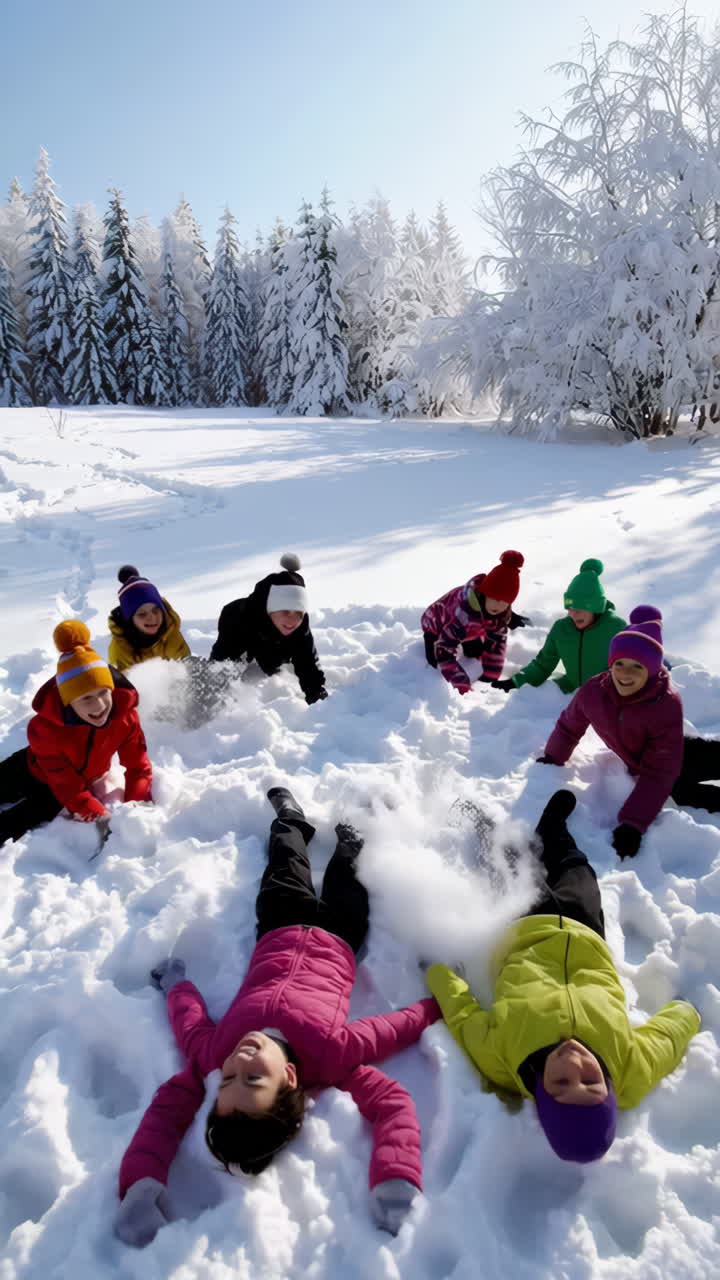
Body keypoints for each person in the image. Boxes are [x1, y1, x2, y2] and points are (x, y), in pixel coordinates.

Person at [114, 788, 440, 1248]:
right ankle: (354, 829)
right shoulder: (331, 1054)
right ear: (289, 1077)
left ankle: (291, 819)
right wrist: (395, 1178)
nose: (239, 1063)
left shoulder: (213, 1050)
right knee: (349, 867)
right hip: (341, 935)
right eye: (253, 1080)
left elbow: (165, 1112)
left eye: (228, 1082)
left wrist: (141, 1185)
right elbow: (393, 1090)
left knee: (286, 855)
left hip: (280, 922)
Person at [425, 790, 700, 1163]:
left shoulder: (502, 1058)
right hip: (584, 929)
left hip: (522, 928)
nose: (574, 1066)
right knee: (578, 871)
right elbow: (666, 1038)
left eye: (561, 1083)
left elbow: (462, 1013)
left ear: (540, 1092)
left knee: (509, 867)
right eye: (590, 1082)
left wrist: (438, 972)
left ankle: (482, 828)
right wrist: (689, 1013)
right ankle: (552, 830)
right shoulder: (631, 1070)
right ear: (610, 1091)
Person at [538, 605, 720, 858]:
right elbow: (569, 726)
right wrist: (553, 757)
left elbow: (659, 771)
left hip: (676, 754)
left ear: (652, 670)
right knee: (690, 795)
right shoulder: (593, 692)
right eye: (619, 663)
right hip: (651, 767)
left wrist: (632, 823)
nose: (625, 673)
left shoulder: (664, 702)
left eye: (638, 666)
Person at [0, 620, 152, 847]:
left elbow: (138, 766)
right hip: (34, 768)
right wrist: (98, 814)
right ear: (69, 702)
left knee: (15, 822)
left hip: (60, 790)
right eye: (86, 698)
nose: (99, 705)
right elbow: (65, 783)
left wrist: (134, 808)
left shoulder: (125, 718)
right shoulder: (47, 730)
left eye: (103, 692)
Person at [493, 558, 626, 694]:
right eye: (569, 608)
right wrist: (515, 681)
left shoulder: (616, 629)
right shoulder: (562, 629)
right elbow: (543, 664)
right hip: (569, 696)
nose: (573, 614)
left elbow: (632, 667)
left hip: (606, 696)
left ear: (595, 607)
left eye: (579, 609)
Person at [210, 554, 327, 705]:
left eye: (299, 613)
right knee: (229, 671)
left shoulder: (300, 625)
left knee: (274, 666)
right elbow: (222, 661)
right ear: (271, 609)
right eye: (285, 611)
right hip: (245, 639)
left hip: (275, 647)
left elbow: (308, 664)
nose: (292, 620)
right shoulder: (239, 618)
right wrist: (214, 698)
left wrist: (318, 698)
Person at [421, 550, 527, 694]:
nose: (498, 606)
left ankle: (471, 638)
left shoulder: (501, 614)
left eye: (505, 602)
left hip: (474, 625)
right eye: (495, 599)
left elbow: (497, 646)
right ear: (485, 594)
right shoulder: (463, 616)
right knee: (437, 655)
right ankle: (432, 636)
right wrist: (462, 686)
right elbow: (444, 651)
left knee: (475, 652)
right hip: (435, 621)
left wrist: (489, 679)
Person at [108, 565, 191, 671]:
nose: (152, 617)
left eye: (156, 610)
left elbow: (187, 670)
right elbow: (124, 684)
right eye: (142, 614)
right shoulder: (120, 648)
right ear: (130, 619)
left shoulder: (171, 634)